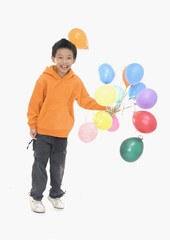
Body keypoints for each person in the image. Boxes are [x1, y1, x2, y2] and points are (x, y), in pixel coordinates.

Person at [27, 38, 111, 213]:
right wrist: (32, 125)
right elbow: (34, 103)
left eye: (68, 58)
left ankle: (55, 195)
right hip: (42, 132)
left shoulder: (76, 81)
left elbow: (85, 101)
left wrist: (104, 107)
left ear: (74, 60)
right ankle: (36, 197)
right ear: (53, 59)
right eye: (60, 57)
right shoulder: (44, 79)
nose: (64, 62)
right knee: (40, 166)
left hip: (62, 133)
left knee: (58, 167)